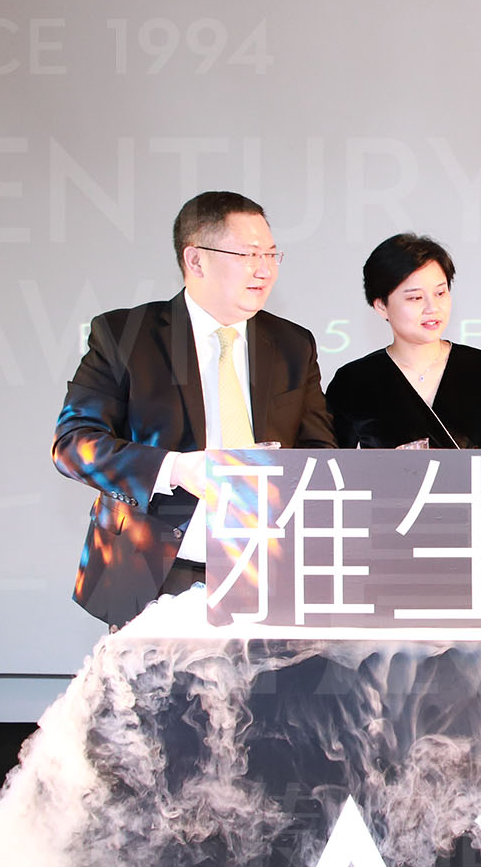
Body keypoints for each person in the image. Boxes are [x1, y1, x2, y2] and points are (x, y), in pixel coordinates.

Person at [52, 191, 334, 627]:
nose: (265, 269)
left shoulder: (292, 344)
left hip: (267, 569)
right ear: (196, 260)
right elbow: (74, 444)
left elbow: (320, 450)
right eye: (249, 255)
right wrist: (177, 469)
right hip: (155, 568)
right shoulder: (126, 335)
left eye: (271, 254)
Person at [325, 234, 481, 449]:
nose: (432, 308)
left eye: (440, 293)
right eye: (415, 298)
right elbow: (333, 463)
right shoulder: (353, 381)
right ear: (381, 306)